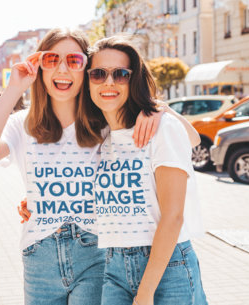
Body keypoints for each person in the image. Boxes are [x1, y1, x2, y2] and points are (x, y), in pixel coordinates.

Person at [0, 28, 164, 305]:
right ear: (40, 68)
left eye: (73, 60)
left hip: (95, 250)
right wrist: (14, 89)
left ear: (86, 69)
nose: (62, 69)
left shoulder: (109, 123)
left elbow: (185, 141)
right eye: (51, 59)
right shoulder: (22, 124)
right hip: (39, 254)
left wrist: (158, 110)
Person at [81, 35, 208, 305]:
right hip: (113, 266)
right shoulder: (97, 137)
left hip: (167, 267)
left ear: (134, 78)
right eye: (98, 74)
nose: (109, 82)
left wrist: (146, 292)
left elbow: (173, 216)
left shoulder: (162, 129)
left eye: (121, 74)